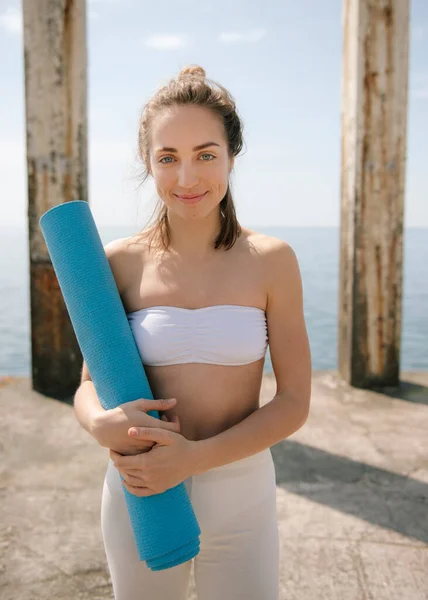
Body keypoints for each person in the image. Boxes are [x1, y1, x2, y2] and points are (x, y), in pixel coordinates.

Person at [73, 64, 312, 600]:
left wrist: (194, 459)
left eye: (206, 154)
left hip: (243, 493)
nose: (187, 179)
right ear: (148, 163)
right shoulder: (117, 263)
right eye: (168, 158)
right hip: (143, 494)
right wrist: (100, 424)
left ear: (232, 156)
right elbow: (87, 384)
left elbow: (294, 401)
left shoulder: (272, 261)